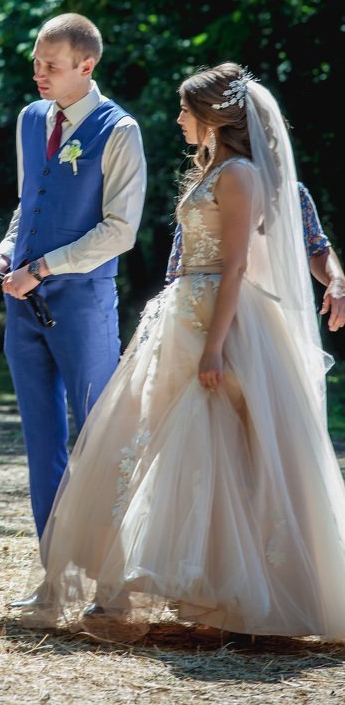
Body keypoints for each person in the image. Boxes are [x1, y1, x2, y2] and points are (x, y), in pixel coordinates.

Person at [18, 63, 345, 641]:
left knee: (217, 449)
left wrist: (215, 346)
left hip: (220, 324)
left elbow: (248, 262)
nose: (175, 119)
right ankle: (172, 588)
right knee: (153, 445)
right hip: (182, 317)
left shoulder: (249, 176)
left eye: (184, 110)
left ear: (214, 119)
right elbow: (189, 256)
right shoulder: (210, 172)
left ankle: (237, 597)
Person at [0, 13, 146, 548]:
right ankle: (55, 571)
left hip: (84, 305)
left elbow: (120, 231)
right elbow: (27, 208)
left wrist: (41, 268)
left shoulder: (119, 130)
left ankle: (109, 572)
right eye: (36, 63)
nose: (39, 74)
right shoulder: (31, 118)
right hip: (23, 306)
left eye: (52, 65)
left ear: (86, 65)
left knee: (99, 436)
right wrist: (2, 257)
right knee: (40, 439)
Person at [166, 185, 345, 332]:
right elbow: (180, 263)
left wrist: (337, 280)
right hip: (205, 315)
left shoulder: (291, 194)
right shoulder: (201, 197)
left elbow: (317, 248)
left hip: (274, 320)